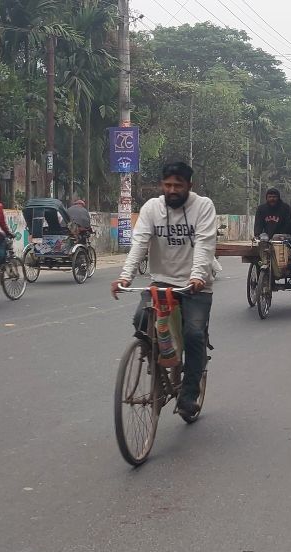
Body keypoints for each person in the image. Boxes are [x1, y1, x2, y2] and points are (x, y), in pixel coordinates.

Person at [111, 162, 217, 418]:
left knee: (193, 335)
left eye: (178, 185)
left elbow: (204, 244)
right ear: (162, 185)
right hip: (162, 280)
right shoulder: (152, 208)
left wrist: (197, 276)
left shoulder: (203, 206)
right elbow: (139, 243)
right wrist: (125, 276)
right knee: (141, 320)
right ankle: (159, 365)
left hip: (195, 285)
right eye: (167, 185)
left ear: (189, 185)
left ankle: (188, 395)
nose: (172, 190)